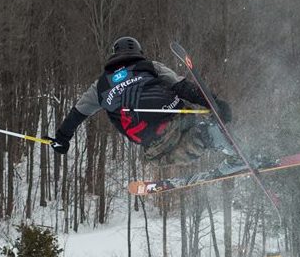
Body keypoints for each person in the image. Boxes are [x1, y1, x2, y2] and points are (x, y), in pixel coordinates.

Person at [49, 37, 235, 169]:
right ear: (138, 52)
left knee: (155, 158)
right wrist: (214, 102)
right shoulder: (150, 66)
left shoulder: (100, 86)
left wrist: (62, 139)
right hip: (176, 113)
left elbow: (77, 114)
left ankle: (206, 138)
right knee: (195, 126)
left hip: (150, 136)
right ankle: (216, 139)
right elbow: (182, 86)